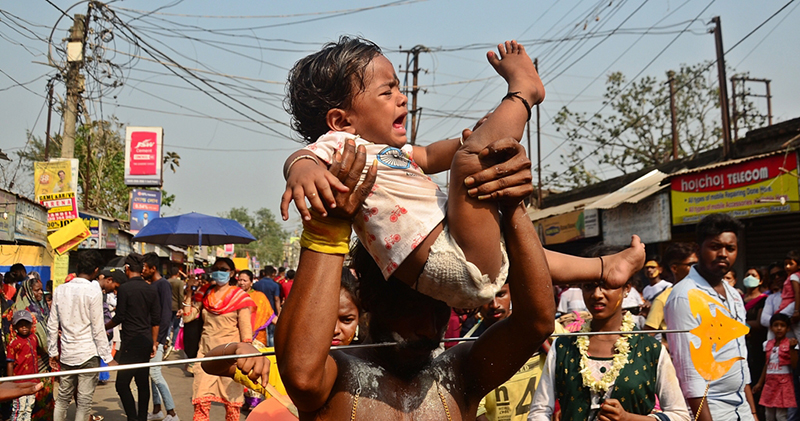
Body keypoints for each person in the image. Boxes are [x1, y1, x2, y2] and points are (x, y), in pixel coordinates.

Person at [273, 136, 644, 420]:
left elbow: (536, 322)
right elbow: (301, 377)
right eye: (415, 304)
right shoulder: (335, 373)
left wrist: (511, 203)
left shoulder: (460, 371)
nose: (432, 326)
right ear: (369, 294)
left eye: (443, 306)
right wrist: (328, 230)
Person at [281, 36, 544, 311]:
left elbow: (429, 155)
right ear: (342, 120)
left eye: (398, 87)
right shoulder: (341, 144)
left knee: (537, 254)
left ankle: (582, 268)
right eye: (387, 92)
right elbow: (303, 156)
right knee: (474, 158)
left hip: (459, 248)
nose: (402, 97)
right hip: (448, 259)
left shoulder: (389, 152)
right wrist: (301, 169)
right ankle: (523, 93)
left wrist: (472, 138)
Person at [529, 245, 690, 421]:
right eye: (589, 286)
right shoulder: (563, 347)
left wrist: (628, 419)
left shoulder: (650, 349)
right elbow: (538, 412)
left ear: (627, 288)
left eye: (607, 285)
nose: (597, 294)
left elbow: (680, 416)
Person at [665, 214, 757, 421]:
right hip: (712, 410)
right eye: (715, 247)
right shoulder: (684, 296)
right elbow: (688, 372)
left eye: (730, 248)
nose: (723, 254)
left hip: (741, 407)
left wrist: (752, 412)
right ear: (699, 250)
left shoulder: (734, 295)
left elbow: (741, 358)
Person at [182, 257, 255, 421]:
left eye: (223, 269)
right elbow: (187, 317)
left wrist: (246, 355)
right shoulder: (205, 293)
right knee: (201, 401)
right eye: (216, 269)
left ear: (232, 273)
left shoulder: (239, 297)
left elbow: (245, 329)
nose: (219, 272)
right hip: (205, 354)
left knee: (232, 405)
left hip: (230, 357)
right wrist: (189, 292)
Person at [47, 250, 114, 421]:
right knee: (84, 402)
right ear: (96, 270)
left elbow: (52, 324)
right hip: (88, 353)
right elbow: (98, 328)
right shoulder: (93, 291)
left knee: (62, 398)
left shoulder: (60, 290)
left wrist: (52, 351)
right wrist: (107, 357)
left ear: (77, 266)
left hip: (67, 353)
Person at [106, 253, 160, 421]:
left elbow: (119, 317)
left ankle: (132, 417)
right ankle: (142, 417)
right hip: (146, 340)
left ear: (127, 268)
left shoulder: (125, 289)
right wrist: (154, 342)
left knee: (122, 384)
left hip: (130, 341)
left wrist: (103, 327)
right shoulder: (151, 289)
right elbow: (156, 320)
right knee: (142, 382)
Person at [4, 272, 54, 420]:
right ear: (27, 291)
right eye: (36, 290)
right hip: (24, 367)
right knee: (21, 406)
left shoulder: (43, 309)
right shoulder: (16, 312)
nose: (40, 293)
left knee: (40, 400)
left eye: (41, 290)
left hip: (43, 364)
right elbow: (10, 341)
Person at [141, 253, 179, 421]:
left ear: (153, 268)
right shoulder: (153, 284)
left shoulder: (163, 285)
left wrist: (159, 340)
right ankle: (157, 409)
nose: (142, 271)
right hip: (151, 336)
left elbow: (165, 315)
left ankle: (172, 412)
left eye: (144, 268)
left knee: (155, 373)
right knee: (152, 373)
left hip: (158, 337)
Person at [644, 242, 698, 338]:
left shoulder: (707, 291)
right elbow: (647, 336)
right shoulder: (663, 299)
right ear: (674, 268)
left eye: (698, 264)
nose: (696, 268)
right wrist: (665, 344)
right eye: (691, 265)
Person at [754, 313, 798, 421]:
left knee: (780, 415)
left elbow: (794, 365)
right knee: (769, 414)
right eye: (776, 325)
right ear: (771, 327)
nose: (779, 328)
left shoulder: (791, 343)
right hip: (770, 383)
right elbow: (767, 365)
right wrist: (760, 383)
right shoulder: (767, 344)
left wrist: (792, 349)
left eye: (782, 325)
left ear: (788, 328)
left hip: (783, 384)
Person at [6, 310, 39, 421]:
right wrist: (10, 382)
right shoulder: (14, 343)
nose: (24, 327)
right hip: (19, 382)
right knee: (19, 408)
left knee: (29, 408)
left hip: (32, 380)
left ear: (31, 325)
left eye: (26, 324)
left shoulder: (34, 338)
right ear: (15, 326)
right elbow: (10, 363)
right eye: (20, 325)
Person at [237, 270, 273, 347]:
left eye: (245, 280)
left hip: (258, 338)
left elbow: (270, 315)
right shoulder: (235, 296)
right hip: (237, 336)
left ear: (251, 282)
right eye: (240, 280)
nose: (241, 283)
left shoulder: (260, 297)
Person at [252, 267, 281, 347]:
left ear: (264, 273)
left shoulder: (257, 284)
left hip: (258, 313)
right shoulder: (275, 285)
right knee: (271, 334)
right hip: (271, 312)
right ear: (273, 274)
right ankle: (271, 350)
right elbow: (276, 299)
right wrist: (278, 312)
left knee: (261, 332)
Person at [167, 267, 184, 351]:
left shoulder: (166, 282)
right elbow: (181, 295)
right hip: (177, 306)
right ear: (177, 273)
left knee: (168, 324)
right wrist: (181, 307)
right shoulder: (180, 283)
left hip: (167, 306)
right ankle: (174, 344)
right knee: (176, 326)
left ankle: (167, 337)